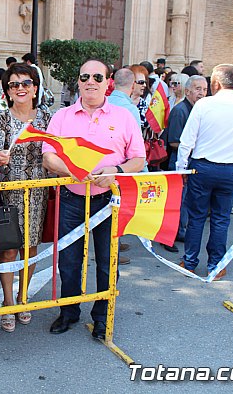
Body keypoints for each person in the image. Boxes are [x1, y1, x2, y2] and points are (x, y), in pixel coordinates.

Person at [43, 59, 145, 339]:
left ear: (108, 81)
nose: (91, 81)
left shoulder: (125, 116)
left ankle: (103, 316)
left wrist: (117, 170)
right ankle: (69, 311)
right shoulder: (62, 116)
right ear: (78, 80)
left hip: (109, 200)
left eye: (97, 77)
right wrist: (72, 171)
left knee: (106, 261)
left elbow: (139, 158)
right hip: (71, 199)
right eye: (85, 76)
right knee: (69, 260)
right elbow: (49, 157)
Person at [176, 64, 233, 281]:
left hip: (202, 167)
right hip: (231, 168)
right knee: (221, 218)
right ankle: (216, 265)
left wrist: (181, 169)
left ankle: (190, 261)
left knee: (196, 217)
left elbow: (187, 141)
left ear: (216, 83)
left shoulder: (204, 105)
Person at [0, 63, 51, 332]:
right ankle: (8, 300)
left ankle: (23, 297)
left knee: (31, 246)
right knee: (9, 247)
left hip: (37, 192)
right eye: (14, 84)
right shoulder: (0, 118)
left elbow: (55, 149)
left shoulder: (47, 117)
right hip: (9, 190)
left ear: (35, 88)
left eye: (26, 83)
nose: (20, 88)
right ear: (7, 91)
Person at [163, 75, 207, 253]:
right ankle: (168, 238)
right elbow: (173, 141)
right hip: (178, 160)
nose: (202, 93)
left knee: (187, 200)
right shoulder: (180, 111)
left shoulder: (199, 109)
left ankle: (180, 232)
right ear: (187, 91)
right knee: (176, 201)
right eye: (198, 89)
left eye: (204, 89)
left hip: (191, 160)